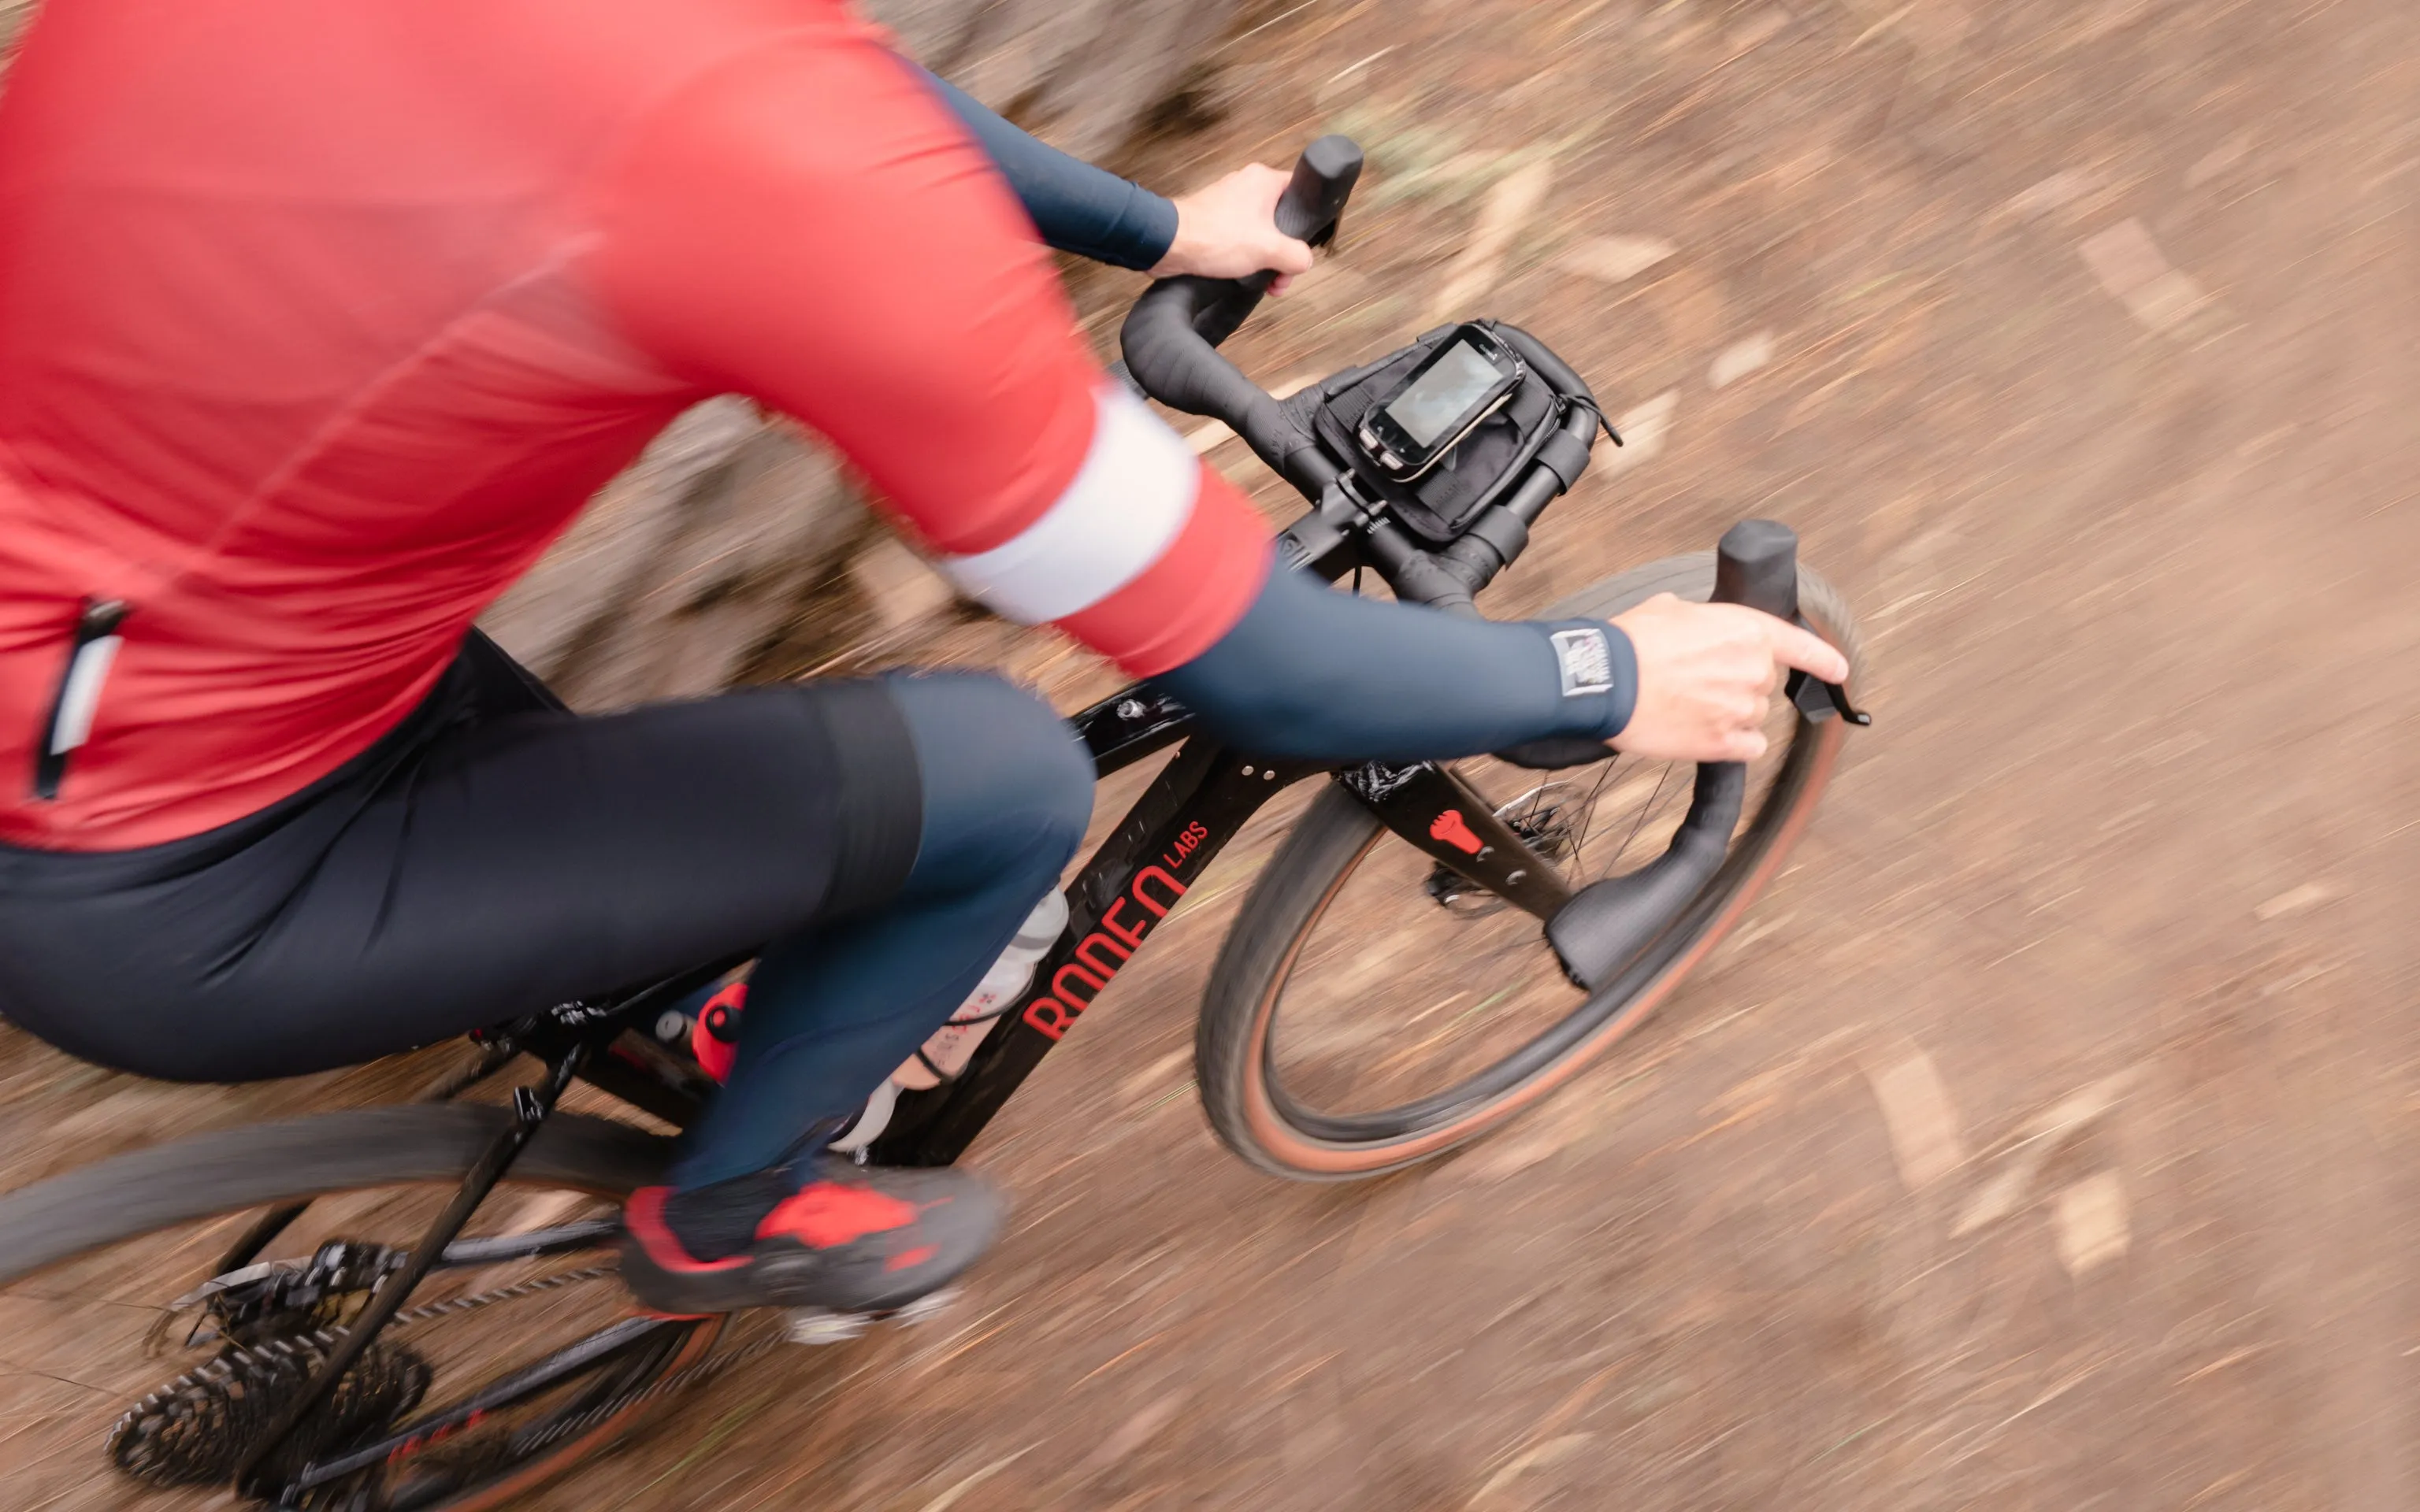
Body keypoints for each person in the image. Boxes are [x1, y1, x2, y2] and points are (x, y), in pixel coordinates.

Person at [0, 0, 1846, 1318]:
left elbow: (811, 78)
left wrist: (1153, 229)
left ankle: (675, 1021)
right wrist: (1605, 680)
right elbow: (1265, 672)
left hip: (157, 664)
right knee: (1001, 781)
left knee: (661, 832)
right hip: (193, 875)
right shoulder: (784, 187)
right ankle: (730, 1219)